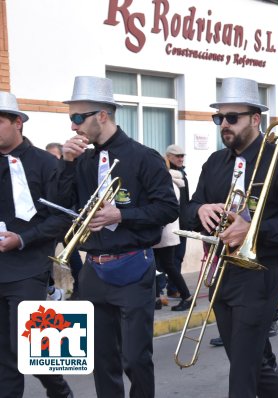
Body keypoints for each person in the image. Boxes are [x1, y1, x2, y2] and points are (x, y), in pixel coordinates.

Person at [186, 77, 278, 397]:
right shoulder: (215, 162)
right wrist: (200, 210)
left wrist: (253, 229)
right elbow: (187, 208)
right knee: (252, 366)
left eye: (232, 118)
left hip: (260, 273)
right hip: (221, 271)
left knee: (242, 373)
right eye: (219, 118)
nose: (223, 125)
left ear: (256, 119)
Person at [56, 76, 178, 398]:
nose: (73, 126)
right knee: (101, 360)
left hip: (134, 268)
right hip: (93, 269)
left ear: (103, 115)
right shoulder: (80, 161)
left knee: (136, 359)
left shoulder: (144, 157)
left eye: (78, 118)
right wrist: (66, 164)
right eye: (71, 118)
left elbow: (168, 208)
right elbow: (61, 205)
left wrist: (122, 214)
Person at [0, 91, 73, 398]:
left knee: (30, 348)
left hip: (29, 267)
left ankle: (60, 391)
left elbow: (60, 219)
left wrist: (23, 239)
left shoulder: (46, 164)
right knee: (2, 356)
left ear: (18, 122)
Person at [45, 142, 84, 300]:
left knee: (73, 257)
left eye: (55, 156)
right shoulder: (47, 170)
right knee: (46, 257)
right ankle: (51, 289)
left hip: (67, 221)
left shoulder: (67, 169)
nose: (52, 159)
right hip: (50, 221)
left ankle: (80, 289)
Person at [153, 156, 193, 312]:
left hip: (166, 232)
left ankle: (187, 296)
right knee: (156, 266)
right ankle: (156, 298)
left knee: (169, 266)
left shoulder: (169, 183)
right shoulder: (166, 181)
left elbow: (165, 208)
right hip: (162, 232)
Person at [164, 144, 191, 298]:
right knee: (168, 260)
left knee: (177, 257)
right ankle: (170, 289)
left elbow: (185, 201)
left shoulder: (181, 174)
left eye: (182, 156)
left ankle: (173, 288)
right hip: (171, 224)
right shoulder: (167, 175)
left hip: (183, 222)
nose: (181, 159)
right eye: (177, 156)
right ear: (169, 157)